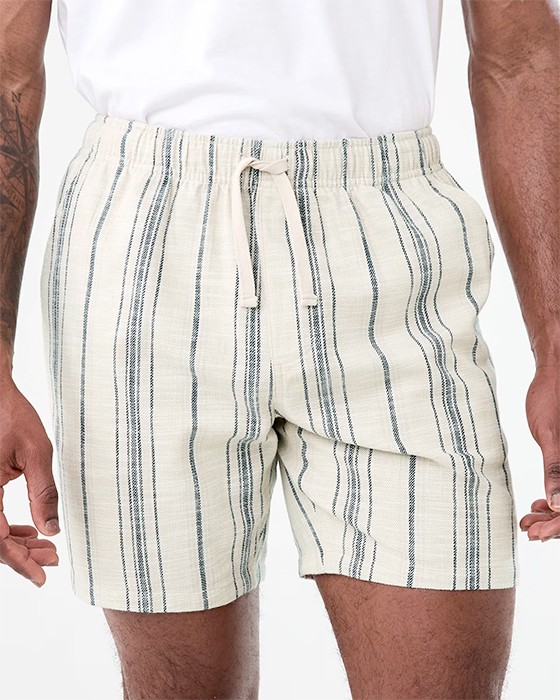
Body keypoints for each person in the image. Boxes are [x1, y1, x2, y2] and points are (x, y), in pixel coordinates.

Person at [1, 0, 558, 698]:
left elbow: (519, 53)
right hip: (143, 242)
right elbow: (7, 67)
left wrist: (556, 342)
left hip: (391, 235)